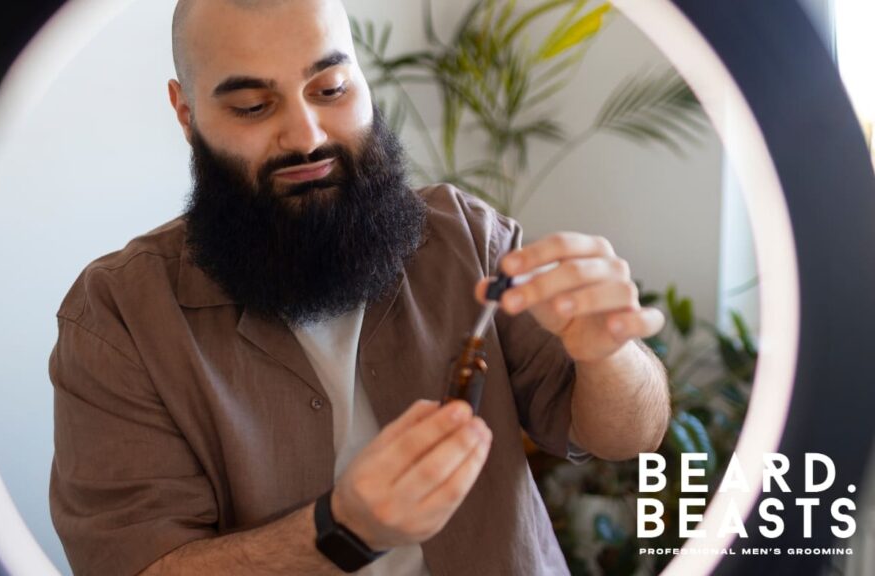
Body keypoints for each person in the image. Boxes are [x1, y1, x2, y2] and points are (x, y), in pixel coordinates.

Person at [47, 0, 670, 574]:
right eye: (252, 107)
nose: (307, 135)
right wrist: (341, 530)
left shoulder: (468, 239)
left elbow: (628, 437)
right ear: (187, 113)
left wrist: (608, 353)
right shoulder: (118, 318)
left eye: (331, 89)